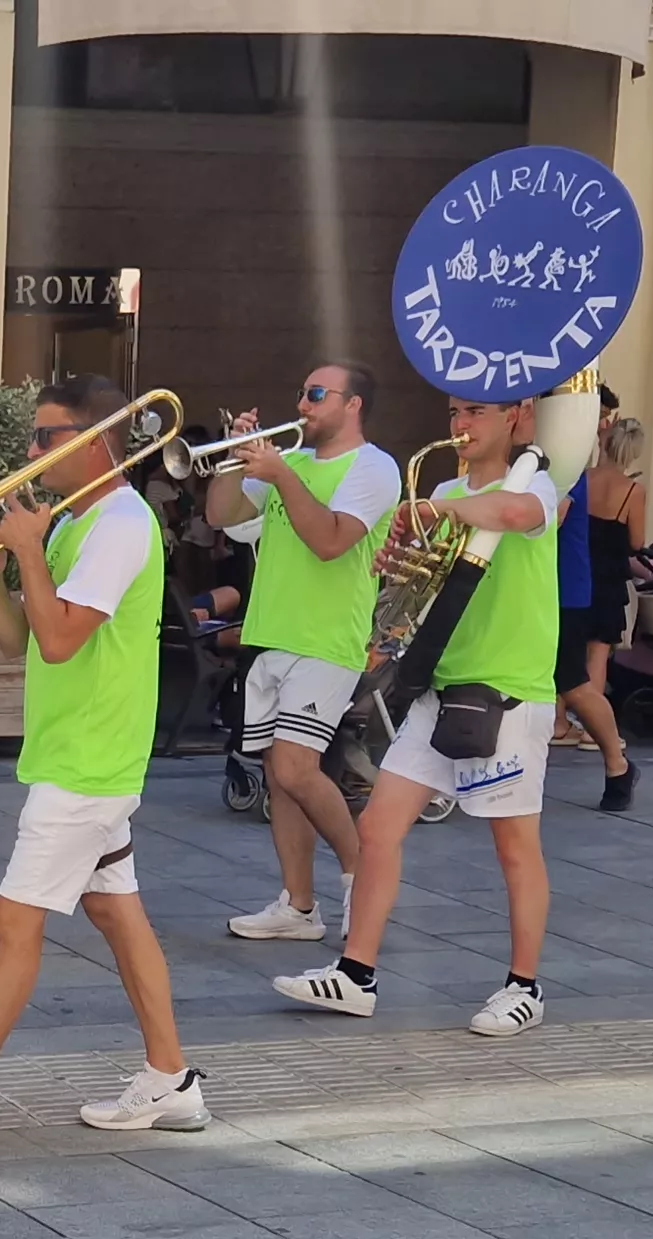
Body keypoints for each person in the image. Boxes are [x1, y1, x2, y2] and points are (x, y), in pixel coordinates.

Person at [0, 376, 199, 1138]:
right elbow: (23, 641)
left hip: (90, 759)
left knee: (13, 920)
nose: (30, 451)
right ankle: (171, 1080)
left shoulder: (120, 525)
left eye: (45, 437)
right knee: (115, 911)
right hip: (76, 752)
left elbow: (60, 639)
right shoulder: (73, 523)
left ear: (92, 442)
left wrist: (28, 550)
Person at [269, 393, 562, 1035]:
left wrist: (435, 511)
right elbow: (426, 587)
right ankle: (356, 973)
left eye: (476, 412)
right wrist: (401, 567)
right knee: (377, 828)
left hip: (508, 688)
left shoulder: (536, 482)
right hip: (441, 684)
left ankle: (524, 987)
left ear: (514, 418)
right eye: (456, 413)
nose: (461, 425)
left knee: (514, 846)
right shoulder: (448, 489)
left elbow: (513, 514)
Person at [206, 360, 395, 944]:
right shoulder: (289, 464)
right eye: (302, 393)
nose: (303, 405)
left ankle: (363, 878)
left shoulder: (374, 467)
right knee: (278, 775)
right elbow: (221, 515)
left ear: (352, 404)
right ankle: (298, 905)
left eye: (316, 394)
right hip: (273, 634)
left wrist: (281, 475)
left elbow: (331, 540)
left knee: (295, 767)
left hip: (327, 639)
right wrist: (235, 458)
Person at [556, 413, 643, 811]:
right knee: (593, 660)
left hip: (573, 579)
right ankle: (599, 744)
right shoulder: (631, 490)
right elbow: (637, 541)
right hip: (600, 575)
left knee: (572, 679)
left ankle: (611, 758)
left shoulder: (578, 475)